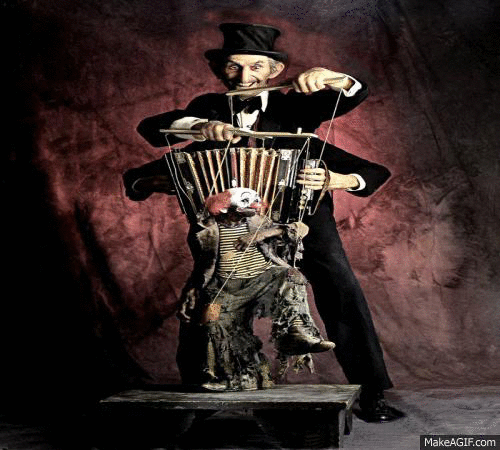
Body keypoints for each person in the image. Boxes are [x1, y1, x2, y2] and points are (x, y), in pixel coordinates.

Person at [124, 22, 404, 422]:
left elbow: (352, 98)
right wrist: (198, 127)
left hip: (302, 220)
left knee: (340, 288)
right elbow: (152, 130)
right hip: (230, 229)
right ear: (219, 70)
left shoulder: (297, 108)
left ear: (275, 71)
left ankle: (372, 390)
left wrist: (337, 84)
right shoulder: (210, 106)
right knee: (207, 298)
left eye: (256, 67)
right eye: (234, 67)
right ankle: (202, 389)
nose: (245, 77)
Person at [177, 187, 334, 391]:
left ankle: (296, 332)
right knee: (211, 323)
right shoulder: (205, 230)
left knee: (291, 275)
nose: (255, 203)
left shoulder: (258, 221)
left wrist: (260, 235)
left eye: (256, 199)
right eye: (245, 200)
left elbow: (301, 228)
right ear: (223, 208)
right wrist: (192, 290)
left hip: (263, 280)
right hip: (224, 289)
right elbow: (203, 266)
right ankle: (232, 376)